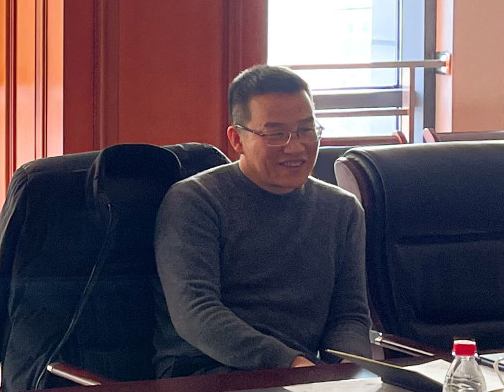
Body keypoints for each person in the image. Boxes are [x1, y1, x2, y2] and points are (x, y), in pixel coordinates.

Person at [153, 65, 371, 376]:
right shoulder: (195, 201)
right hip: (204, 375)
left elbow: (349, 315)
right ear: (237, 139)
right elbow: (196, 313)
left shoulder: (342, 209)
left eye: (306, 130)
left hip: (301, 375)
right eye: (275, 134)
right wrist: (290, 364)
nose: (295, 147)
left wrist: (348, 370)